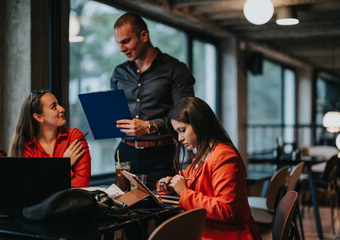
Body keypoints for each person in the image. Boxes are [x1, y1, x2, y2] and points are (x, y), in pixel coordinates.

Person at [110, 12, 195, 190]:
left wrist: (149, 126)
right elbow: (115, 113)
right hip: (125, 154)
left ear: (143, 35)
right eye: (118, 43)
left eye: (126, 41)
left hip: (161, 155)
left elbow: (185, 115)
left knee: (164, 210)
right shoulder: (118, 73)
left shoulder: (175, 70)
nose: (121, 49)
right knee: (124, 209)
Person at [158, 97, 262, 240]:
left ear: (199, 123)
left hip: (230, 235)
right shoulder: (203, 154)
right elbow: (185, 179)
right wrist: (169, 184)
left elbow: (225, 211)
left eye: (182, 130)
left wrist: (184, 192)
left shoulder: (224, 156)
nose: (180, 138)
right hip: (209, 231)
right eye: (177, 133)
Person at [8, 90, 91, 188]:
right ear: (39, 117)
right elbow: (31, 188)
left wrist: (48, 178)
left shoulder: (75, 137)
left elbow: (81, 183)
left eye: (58, 104)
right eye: (53, 106)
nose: (62, 109)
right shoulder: (27, 148)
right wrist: (63, 165)